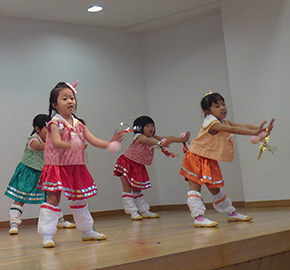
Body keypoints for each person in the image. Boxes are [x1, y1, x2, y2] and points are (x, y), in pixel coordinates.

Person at [37, 81, 125, 248]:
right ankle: (47, 235)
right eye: (64, 99)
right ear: (54, 104)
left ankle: (87, 231)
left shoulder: (79, 124)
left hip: (76, 166)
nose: (70, 101)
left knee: (79, 199)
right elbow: (57, 143)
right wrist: (72, 144)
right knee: (53, 199)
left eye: (72, 98)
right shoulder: (54, 123)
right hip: (57, 166)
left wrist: (109, 144)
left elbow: (93, 140)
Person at [180, 92, 273, 227]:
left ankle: (230, 213)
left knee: (215, 189)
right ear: (207, 112)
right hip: (195, 156)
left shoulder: (221, 121)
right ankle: (198, 217)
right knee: (195, 188)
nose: (223, 108)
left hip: (208, 158)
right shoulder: (212, 123)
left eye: (223, 104)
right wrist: (254, 132)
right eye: (217, 106)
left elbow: (242, 126)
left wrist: (262, 130)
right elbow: (233, 129)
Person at [5, 114, 76, 235]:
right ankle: (14, 224)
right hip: (29, 173)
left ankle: (59, 220)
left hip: (45, 173)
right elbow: (38, 146)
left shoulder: (53, 139)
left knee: (51, 198)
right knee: (20, 198)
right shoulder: (33, 139)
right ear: (37, 129)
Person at [113, 115, 189, 220]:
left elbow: (167, 138)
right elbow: (148, 141)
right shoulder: (139, 137)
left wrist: (182, 140)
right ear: (140, 128)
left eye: (152, 125)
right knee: (127, 189)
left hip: (138, 165)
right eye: (147, 126)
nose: (151, 128)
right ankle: (132, 212)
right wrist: (160, 143)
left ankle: (144, 210)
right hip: (126, 163)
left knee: (137, 189)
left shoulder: (153, 137)